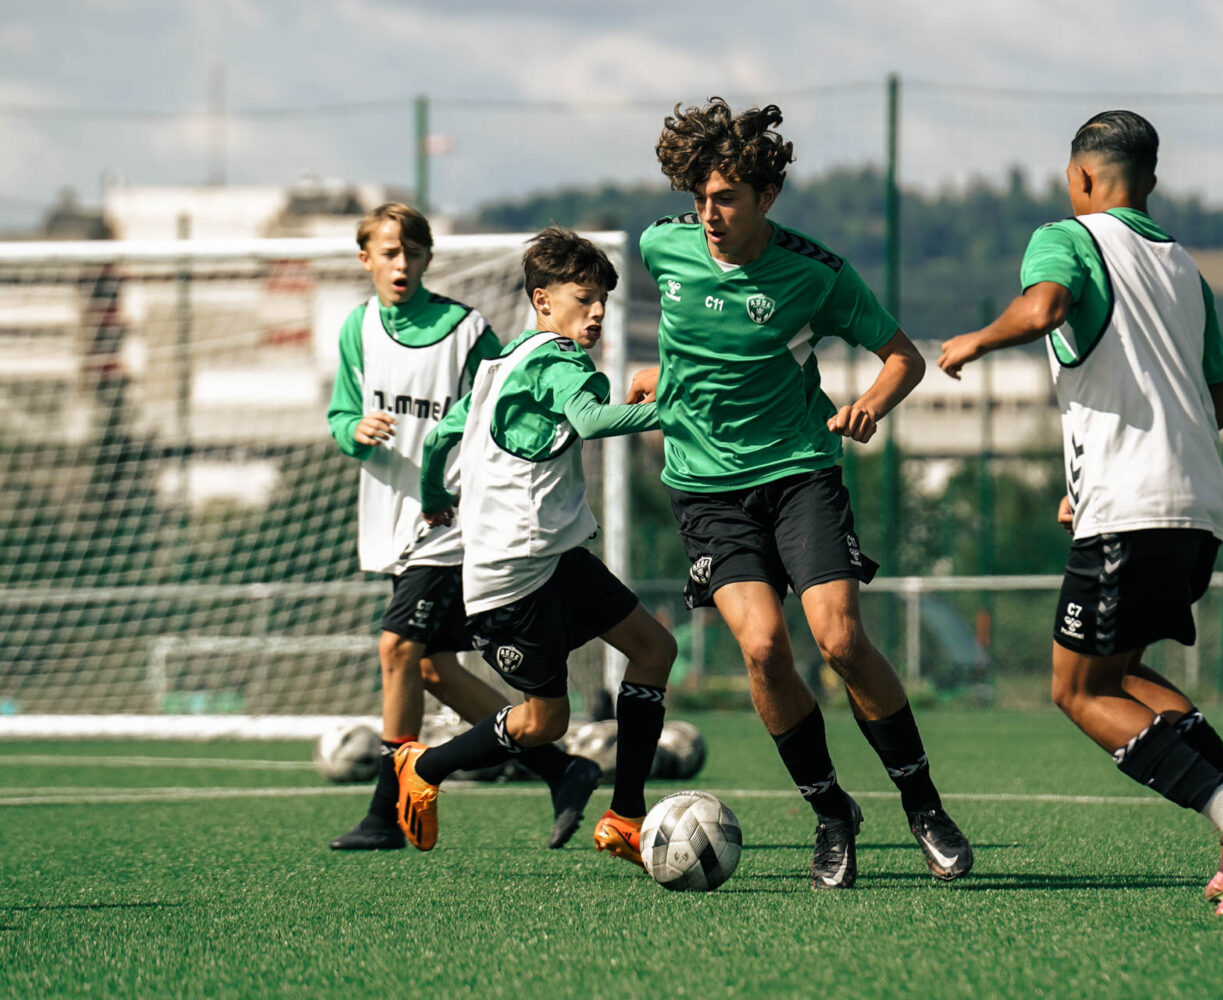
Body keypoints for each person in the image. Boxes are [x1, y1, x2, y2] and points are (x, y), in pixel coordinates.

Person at [937, 110, 1223, 915]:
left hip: (1132, 506)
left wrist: (974, 341)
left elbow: (1044, 308)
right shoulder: (1186, 270)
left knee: (1076, 690)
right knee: (1124, 673)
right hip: (1198, 506)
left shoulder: (1066, 237)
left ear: (1081, 178)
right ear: (1153, 182)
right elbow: (1214, 406)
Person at [628, 97, 972, 889]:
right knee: (762, 649)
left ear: (767, 196)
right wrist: (653, 374)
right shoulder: (660, 247)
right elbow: (686, 338)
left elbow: (903, 357)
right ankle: (830, 814)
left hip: (799, 474)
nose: (709, 215)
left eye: (726, 199)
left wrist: (870, 406)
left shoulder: (817, 274)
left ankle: (924, 806)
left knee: (840, 642)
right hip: (706, 492)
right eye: (700, 199)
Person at [392, 227, 676, 863]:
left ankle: (626, 817)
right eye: (584, 298)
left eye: (603, 300)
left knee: (654, 649)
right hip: (510, 579)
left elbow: (439, 440)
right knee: (545, 722)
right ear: (542, 300)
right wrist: (680, 405)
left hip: (552, 558)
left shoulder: (503, 364)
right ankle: (424, 766)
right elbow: (592, 421)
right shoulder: (560, 361)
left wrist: (436, 496)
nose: (597, 312)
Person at [326, 204, 600, 852]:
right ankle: (559, 768)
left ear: (428, 259)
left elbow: (502, 398)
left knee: (397, 649)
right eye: (388, 252)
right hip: (392, 518)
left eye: (412, 252)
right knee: (432, 670)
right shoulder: (357, 328)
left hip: (450, 517)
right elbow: (340, 415)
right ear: (365, 259)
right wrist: (354, 429)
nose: (401, 263)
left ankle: (389, 808)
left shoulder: (465, 329)